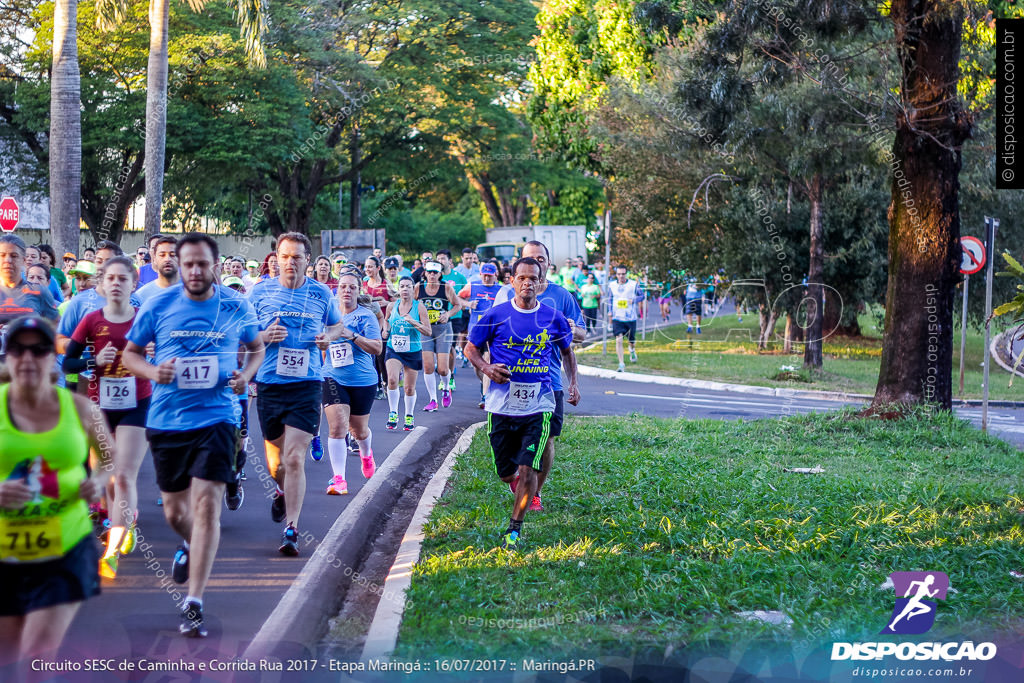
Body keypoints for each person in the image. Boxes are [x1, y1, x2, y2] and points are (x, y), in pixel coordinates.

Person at [121, 233, 264, 637]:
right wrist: (153, 372)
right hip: (168, 421)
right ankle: (190, 545)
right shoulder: (157, 304)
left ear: (215, 265)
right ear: (179, 267)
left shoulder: (236, 305)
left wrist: (245, 377)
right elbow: (131, 354)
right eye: (189, 264)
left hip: (218, 416)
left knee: (206, 508)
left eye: (203, 263)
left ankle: (194, 601)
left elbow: (256, 349)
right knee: (175, 513)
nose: (196, 271)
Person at [0, 316, 113, 665]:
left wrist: (97, 480)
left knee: (36, 653)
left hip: (66, 548)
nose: (28, 359)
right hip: (5, 548)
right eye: (18, 350)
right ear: (7, 358)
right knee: (7, 652)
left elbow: (109, 457)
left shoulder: (81, 408)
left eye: (39, 350)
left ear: (53, 358)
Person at [464, 257, 579, 551]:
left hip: (539, 404)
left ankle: (514, 529)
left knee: (529, 469)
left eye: (533, 279)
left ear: (541, 283)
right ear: (512, 281)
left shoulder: (553, 317)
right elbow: (471, 348)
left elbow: (567, 352)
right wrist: (488, 369)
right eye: (522, 278)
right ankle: (516, 485)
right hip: (501, 404)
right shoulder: (496, 314)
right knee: (505, 472)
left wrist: (573, 383)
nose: (528, 283)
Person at [248, 233, 345, 556]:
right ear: (276, 258)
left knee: (294, 457)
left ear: (308, 260)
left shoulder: (320, 293)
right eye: (285, 256)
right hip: (270, 382)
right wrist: (263, 335)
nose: (291, 262)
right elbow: (243, 335)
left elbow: (336, 326)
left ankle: (292, 527)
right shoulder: (260, 292)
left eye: (297, 257)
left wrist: (325, 338)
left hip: (307, 384)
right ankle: (280, 489)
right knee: (276, 462)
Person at [63, 257, 151, 579]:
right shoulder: (90, 320)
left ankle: (111, 550)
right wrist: (93, 358)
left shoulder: (144, 320)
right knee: (108, 479)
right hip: (99, 408)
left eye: (122, 279)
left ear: (133, 284)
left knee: (124, 476)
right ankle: (124, 525)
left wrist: (150, 353)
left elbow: (164, 352)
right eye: (110, 278)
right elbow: (67, 364)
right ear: (102, 283)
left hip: (135, 404)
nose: (116, 283)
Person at [492, 241, 585, 512]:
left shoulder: (561, 296)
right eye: (530, 259)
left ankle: (534, 492)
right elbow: (490, 336)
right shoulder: (504, 294)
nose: (537, 263)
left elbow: (581, 334)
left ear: (548, 263)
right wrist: (489, 376)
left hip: (549, 380)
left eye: (542, 259)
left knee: (546, 440)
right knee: (508, 443)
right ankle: (516, 479)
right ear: (519, 265)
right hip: (512, 380)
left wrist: (569, 329)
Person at [320, 271, 382, 495]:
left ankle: (366, 454)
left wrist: (352, 336)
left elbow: (377, 348)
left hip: (363, 379)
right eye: (343, 286)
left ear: (358, 291)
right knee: (337, 428)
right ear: (337, 290)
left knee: (359, 431)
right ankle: (339, 480)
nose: (347, 290)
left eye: (352, 287)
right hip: (333, 377)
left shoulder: (366, 316)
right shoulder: (328, 315)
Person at [382, 277, 430, 430]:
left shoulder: (419, 307)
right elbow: (386, 320)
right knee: (392, 379)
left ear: (412, 289)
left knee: (409, 388)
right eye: (402, 286)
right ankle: (393, 412)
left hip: (413, 350)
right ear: (398, 289)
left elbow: (428, 331)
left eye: (408, 287)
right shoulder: (391, 305)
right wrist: (385, 330)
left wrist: (413, 322)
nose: (404, 289)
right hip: (394, 348)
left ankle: (409, 415)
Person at [415, 261, 461, 410]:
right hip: (425, 330)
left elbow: (457, 305)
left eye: (435, 272)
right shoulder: (418, 288)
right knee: (428, 366)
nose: (432, 275)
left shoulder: (446, 287)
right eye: (430, 272)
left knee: (442, 368)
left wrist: (447, 314)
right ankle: (433, 400)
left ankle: (446, 389)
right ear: (425, 273)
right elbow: (411, 304)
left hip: (443, 329)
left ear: (440, 274)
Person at [458, 263, 502, 408]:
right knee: (476, 364)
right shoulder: (473, 286)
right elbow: (457, 298)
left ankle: (485, 396)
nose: (487, 278)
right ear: (481, 274)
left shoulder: (501, 289)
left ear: (495, 275)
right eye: (485, 275)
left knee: (488, 359)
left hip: (494, 332)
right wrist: (468, 304)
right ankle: (483, 381)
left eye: (490, 276)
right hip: (475, 330)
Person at [0, 235, 60, 334]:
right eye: (2, 255)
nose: (7, 260)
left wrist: (37, 334)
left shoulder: (39, 292)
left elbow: (57, 328)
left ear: (23, 260)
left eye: (14, 256)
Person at [362, 256, 392, 399]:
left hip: (383, 325)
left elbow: (397, 302)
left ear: (378, 268)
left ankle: (387, 384)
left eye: (371, 266)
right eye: (366, 267)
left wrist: (386, 303)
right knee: (371, 358)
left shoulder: (386, 284)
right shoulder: (363, 285)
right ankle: (377, 386)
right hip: (366, 327)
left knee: (381, 358)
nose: (368, 269)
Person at [607, 265, 645, 371]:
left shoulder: (633, 284)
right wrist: (610, 311)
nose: (621, 276)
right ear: (616, 274)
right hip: (617, 317)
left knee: (631, 341)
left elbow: (642, 296)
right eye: (619, 274)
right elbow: (610, 298)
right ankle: (621, 364)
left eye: (623, 274)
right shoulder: (612, 285)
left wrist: (635, 300)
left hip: (630, 317)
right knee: (618, 340)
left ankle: (632, 350)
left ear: (626, 274)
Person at [134, 236, 180, 304]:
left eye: (172, 255)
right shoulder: (141, 296)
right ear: (154, 258)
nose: (167, 259)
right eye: (162, 255)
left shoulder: (193, 292)